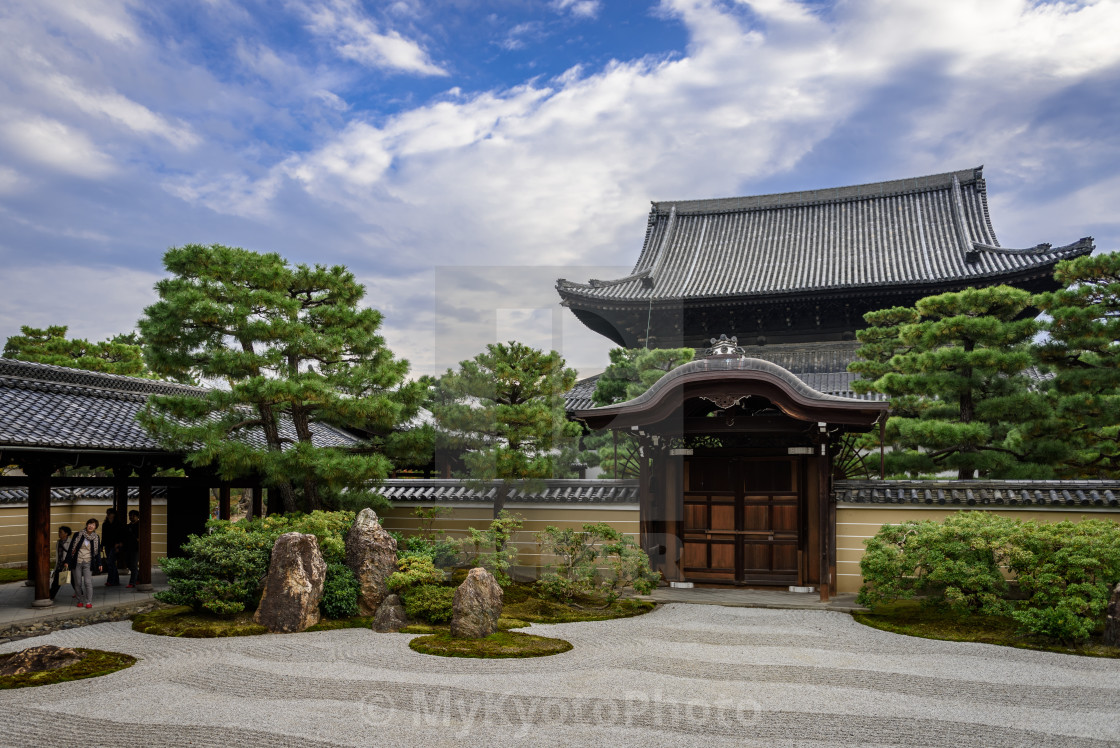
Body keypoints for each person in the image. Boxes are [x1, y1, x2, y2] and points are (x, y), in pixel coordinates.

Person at [63, 518, 102, 609]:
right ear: (86, 524)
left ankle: (88, 602)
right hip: (77, 562)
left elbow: (97, 552)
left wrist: (100, 563)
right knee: (78, 583)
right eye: (89, 524)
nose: (90, 526)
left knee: (88, 583)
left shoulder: (96, 537)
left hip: (88, 562)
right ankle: (79, 600)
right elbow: (71, 549)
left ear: (95, 527)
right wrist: (67, 561)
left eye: (93, 525)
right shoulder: (78, 534)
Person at [48, 526, 72, 600]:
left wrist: (67, 562)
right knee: (56, 581)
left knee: (74, 581)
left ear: (66, 533)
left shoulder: (70, 542)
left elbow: (71, 554)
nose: (59, 534)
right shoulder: (58, 542)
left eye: (61, 532)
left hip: (68, 564)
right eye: (59, 532)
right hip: (60, 564)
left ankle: (80, 593)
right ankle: (51, 595)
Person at [102, 508, 122, 587]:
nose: (108, 515)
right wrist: (101, 545)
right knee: (112, 563)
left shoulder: (118, 524)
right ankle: (116, 580)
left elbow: (120, 535)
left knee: (110, 562)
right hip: (107, 545)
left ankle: (110, 580)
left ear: (114, 514)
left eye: (110, 513)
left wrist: (118, 544)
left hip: (115, 545)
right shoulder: (105, 524)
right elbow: (103, 535)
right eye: (108, 513)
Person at [124, 510, 140, 588]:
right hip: (128, 547)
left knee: (133, 565)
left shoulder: (140, 526)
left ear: (137, 517)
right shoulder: (128, 526)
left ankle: (132, 582)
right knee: (128, 564)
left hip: (136, 548)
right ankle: (138, 577)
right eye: (130, 515)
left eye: (133, 515)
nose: (131, 517)